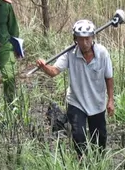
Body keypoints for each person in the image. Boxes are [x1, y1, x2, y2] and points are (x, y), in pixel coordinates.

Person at [36, 19, 115, 155]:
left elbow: (109, 77)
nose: (84, 43)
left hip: (97, 103)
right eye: (80, 39)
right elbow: (54, 71)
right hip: (76, 101)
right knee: (79, 137)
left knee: (100, 140)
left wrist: (111, 100)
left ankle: (97, 166)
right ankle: (80, 165)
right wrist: (44, 66)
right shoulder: (70, 54)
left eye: (87, 39)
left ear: (92, 38)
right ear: (75, 39)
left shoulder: (102, 53)